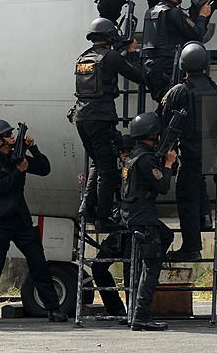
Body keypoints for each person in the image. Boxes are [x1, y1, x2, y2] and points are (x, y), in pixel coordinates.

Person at [0, 119, 67, 324]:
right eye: (7, 135)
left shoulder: (17, 158)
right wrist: (18, 171)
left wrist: (33, 148)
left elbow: (45, 168)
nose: (12, 137)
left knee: (39, 265)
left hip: (21, 221)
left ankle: (53, 309)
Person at [73, 18, 146, 230]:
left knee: (97, 162)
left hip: (82, 118)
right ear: (110, 37)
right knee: (108, 171)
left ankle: (87, 207)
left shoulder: (83, 57)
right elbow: (137, 75)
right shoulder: (111, 56)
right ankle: (103, 219)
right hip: (101, 118)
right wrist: (132, 52)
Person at [159, 42, 217, 262]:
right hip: (210, 150)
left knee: (186, 197)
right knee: (199, 183)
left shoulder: (180, 90)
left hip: (191, 150)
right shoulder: (213, 87)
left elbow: (164, 117)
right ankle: (205, 218)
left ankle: (191, 246)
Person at [120, 112, 177, 331]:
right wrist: (169, 164)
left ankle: (136, 313)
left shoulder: (133, 157)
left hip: (136, 215)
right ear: (152, 134)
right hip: (143, 218)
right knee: (151, 267)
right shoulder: (145, 159)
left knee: (166, 235)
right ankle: (140, 317)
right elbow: (162, 186)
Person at [140, 0, 212, 103]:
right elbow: (197, 36)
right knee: (175, 107)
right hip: (167, 69)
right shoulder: (174, 12)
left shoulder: (150, 12)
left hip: (149, 70)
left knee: (166, 105)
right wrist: (202, 16)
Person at [89, 136, 136, 318]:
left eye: (128, 153)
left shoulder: (141, 169)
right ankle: (116, 309)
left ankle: (133, 311)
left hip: (133, 227)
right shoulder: (117, 175)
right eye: (123, 153)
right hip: (120, 228)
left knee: (129, 270)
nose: (125, 156)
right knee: (98, 267)